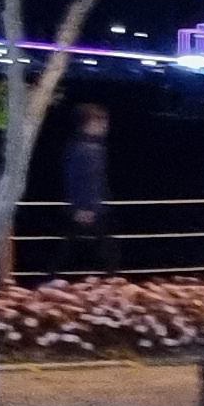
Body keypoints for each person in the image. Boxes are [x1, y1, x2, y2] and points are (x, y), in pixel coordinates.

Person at [61, 101, 118, 276]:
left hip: (89, 206)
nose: (105, 126)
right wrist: (85, 207)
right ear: (88, 123)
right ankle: (111, 277)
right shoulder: (87, 149)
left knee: (73, 245)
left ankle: (52, 276)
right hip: (89, 207)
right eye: (100, 121)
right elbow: (83, 180)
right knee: (103, 248)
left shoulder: (85, 147)